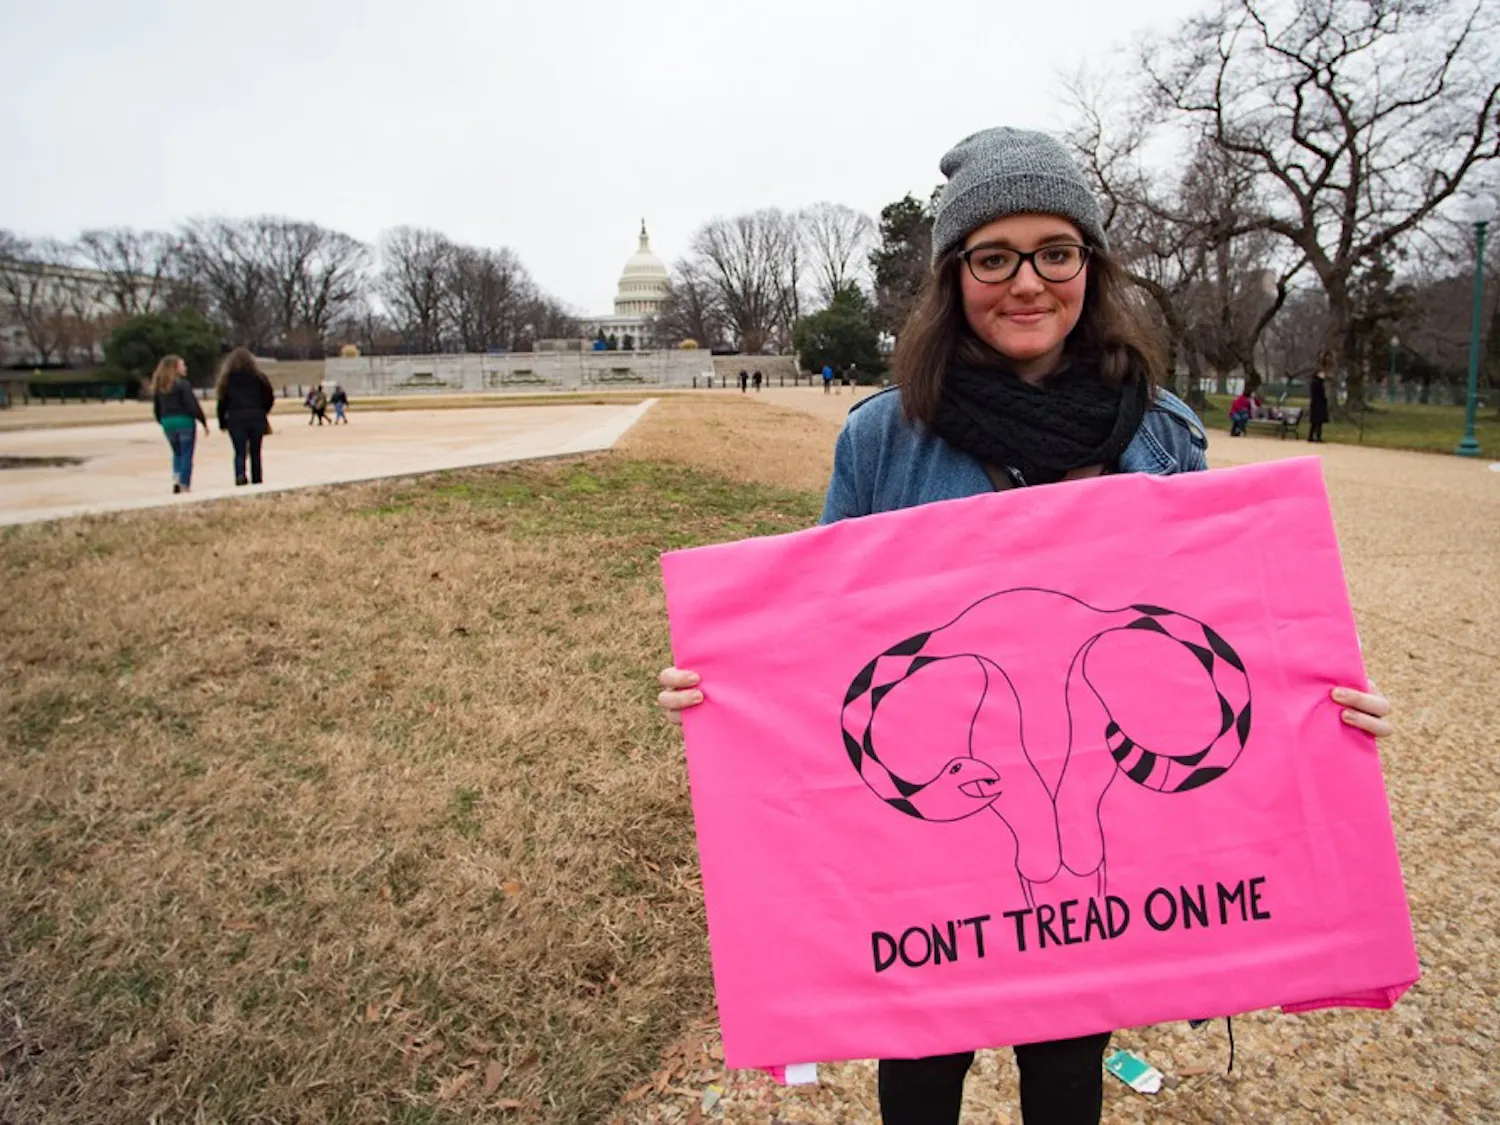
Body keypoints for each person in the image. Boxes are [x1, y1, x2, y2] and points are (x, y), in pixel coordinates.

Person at [655, 126, 1396, 1125]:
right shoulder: (887, 433)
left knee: (1067, 1055)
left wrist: (1317, 692)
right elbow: (824, 637)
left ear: (1091, 265)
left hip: (1105, 858)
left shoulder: (1162, 430)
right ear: (956, 276)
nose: (1028, 283)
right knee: (920, 1064)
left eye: (1056, 252)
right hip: (939, 864)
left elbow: (1217, 629)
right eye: (994, 257)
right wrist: (726, 686)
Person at [150, 354, 210, 493]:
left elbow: (157, 408)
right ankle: (184, 483)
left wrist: (162, 421)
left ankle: (176, 478)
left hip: (167, 422)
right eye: (182, 365)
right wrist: (202, 420)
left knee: (177, 453)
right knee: (186, 454)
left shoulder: (160, 386)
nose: (185, 368)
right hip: (184, 421)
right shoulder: (182, 385)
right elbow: (191, 405)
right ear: (175, 368)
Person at [216, 347, 275, 486]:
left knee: (239, 451)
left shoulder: (227, 379)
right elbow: (269, 397)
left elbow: (222, 401)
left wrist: (222, 421)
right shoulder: (260, 378)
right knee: (256, 451)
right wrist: (263, 411)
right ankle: (257, 479)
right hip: (256, 416)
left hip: (235, 417)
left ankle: (240, 474)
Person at [1308, 359, 1330, 442]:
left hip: (1316, 404)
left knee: (1314, 422)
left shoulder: (1316, 383)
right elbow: (1319, 394)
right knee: (1318, 422)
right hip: (1318, 405)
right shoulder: (1317, 383)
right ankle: (1317, 437)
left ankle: (1311, 436)